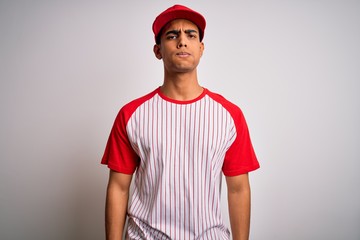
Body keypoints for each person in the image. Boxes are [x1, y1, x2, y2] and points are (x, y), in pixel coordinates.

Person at [101, 4, 260, 240]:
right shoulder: (131, 114)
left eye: (191, 35)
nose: (182, 41)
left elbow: (238, 189)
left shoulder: (229, 115)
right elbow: (118, 187)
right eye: (172, 35)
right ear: (157, 50)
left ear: (201, 48)